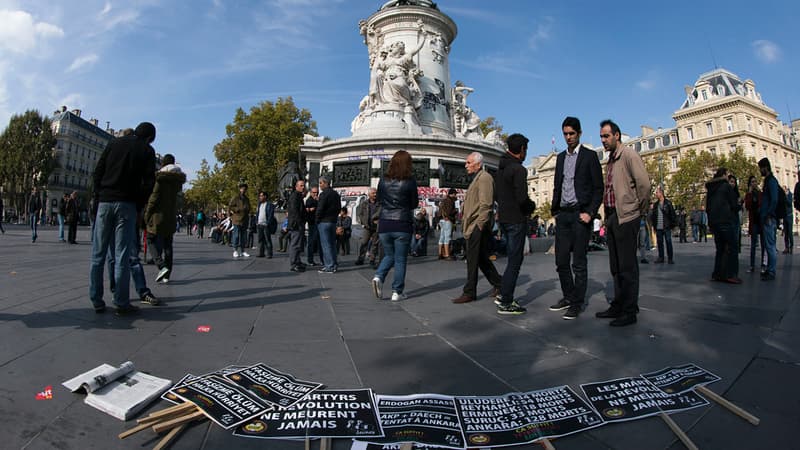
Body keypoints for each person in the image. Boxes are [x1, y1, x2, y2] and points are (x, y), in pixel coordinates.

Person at [89, 121, 156, 315]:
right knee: (122, 255)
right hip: (127, 204)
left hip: (105, 201)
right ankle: (121, 302)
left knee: (98, 255)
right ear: (150, 138)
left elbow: (98, 171)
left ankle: (96, 299)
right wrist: (139, 204)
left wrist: (98, 195)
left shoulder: (114, 143)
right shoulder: (147, 151)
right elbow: (149, 183)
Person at [596, 120, 651, 327]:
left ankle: (629, 310)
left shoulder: (628, 155)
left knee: (627, 266)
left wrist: (638, 209)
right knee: (616, 266)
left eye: (606, 136)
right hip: (612, 217)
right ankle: (619, 304)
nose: (603, 140)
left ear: (617, 135)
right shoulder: (611, 159)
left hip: (627, 216)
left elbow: (644, 184)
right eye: (601, 136)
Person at [548, 118, 603, 319]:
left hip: (581, 214)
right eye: (565, 134)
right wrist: (555, 211)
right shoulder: (561, 157)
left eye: (571, 133)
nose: (568, 137)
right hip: (563, 214)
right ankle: (568, 296)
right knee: (561, 261)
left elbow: (599, 188)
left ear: (579, 133)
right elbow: (558, 184)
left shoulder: (589, 156)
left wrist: (590, 211)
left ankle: (577, 303)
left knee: (578, 262)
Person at [451, 152, 504, 308]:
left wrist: (479, 225)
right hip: (473, 225)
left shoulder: (485, 178)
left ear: (478, 164)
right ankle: (499, 283)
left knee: (473, 260)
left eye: (468, 162)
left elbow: (486, 204)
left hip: (477, 226)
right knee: (480, 259)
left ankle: (469, 292)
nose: (466, 165)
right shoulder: (478, 178)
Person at [494, 133, 537, 315]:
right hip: (516, 219)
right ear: (521, 150)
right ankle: (506, 301)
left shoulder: (501, 168)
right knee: (515, 261)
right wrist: (531, 207)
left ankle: (503, 293)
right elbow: (522, 198)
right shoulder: (518, 170)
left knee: (511, 259)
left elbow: (496, 195)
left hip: (504, 217)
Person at [371, 150, 418, 301]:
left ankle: (378, 277)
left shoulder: (383, 180)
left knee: (389, 255)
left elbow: (378, 199)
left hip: (385, 223)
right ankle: (397, 292)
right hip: (402, 223)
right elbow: (414, 203)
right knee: (400, 259)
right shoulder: (410, 181)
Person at [144, 154, 186, 283]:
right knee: (168, 245)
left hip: (157, 216)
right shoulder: (178, 181)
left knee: (150, 240)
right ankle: (167, 275)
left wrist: (147, 214)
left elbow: (154, 198)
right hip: (170, 216)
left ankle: (161, 265)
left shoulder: (160, 179)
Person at [706, 167, 741, 284]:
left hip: (715, 222)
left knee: (720, 248)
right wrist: (740, 204)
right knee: (732, 247)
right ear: (724, 175)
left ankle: (717, 273)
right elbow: (734, 205)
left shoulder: (711, 189)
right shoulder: (726, 186)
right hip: (725, 220)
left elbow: (708, 207)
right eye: (727, 175)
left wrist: (710, 222)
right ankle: (731, 274)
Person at [758, 158, 779, 281]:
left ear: (765, 167)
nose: (760, 171)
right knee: (768, 245)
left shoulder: (771, 181)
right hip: (767, 216)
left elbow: (774, 199)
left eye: (760, 168)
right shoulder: (769, 181)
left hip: (769, 218)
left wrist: (768, 214)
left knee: (770, 246)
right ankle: (770, 269)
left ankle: (771, 271)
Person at [316, 175, 341, 274]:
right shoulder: (336, 194)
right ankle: (334, 264)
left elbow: (320, 208)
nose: (320, 185)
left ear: (326, 183)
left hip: (324, 222)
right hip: (333, 221)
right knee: (332, 244)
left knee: (325, 245)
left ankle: (329, 266)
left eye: (321, 183)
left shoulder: (323, 194)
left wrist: (317, 219)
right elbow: (339, 208)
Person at [649, 185, 677, 264]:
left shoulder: (668, 203)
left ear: (661, 193)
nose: (656, 194)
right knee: (660, 243)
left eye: (657, 192)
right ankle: (661, 257)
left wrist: (673, 225)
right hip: (658, 227)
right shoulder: (656, 204)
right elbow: (653, 216)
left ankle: (670, 258)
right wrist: (654, 226)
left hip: (666, 226)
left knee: (668, 242)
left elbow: (672, 214)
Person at [744, 175, 765, 273]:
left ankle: (763, 264)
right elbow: (747, 206)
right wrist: (749, 193)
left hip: (761, 221)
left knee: (763, 245)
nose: (754, 183)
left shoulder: (760, 194)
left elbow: (763, 204)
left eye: (755, 181)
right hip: (754, 222)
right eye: (752, 182)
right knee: (753, 245)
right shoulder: (749, 194)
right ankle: (752, 265)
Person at [356, 188, 381, 266]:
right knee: (364, 242)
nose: (375, 195)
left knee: (375, 244)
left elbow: (381, 213)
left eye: (376, 193)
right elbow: (359, 213)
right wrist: (362, 222)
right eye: (373, 193)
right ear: (369, 194)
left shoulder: (380, 204)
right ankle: (361, 258)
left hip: (376, 226)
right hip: (367, 226)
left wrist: (377, 219)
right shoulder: (364, 203)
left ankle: (372, 259)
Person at [287, 179, 307, 272]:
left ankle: (297, 261)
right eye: (301, 185)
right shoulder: (295, 196)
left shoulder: (299, 196)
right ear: (296, 187)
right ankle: (294, 263)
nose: (303, 187)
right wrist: (299, 222)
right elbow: (294, 211)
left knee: (298, 244)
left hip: (298, 223)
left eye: (304, 185)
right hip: (296, 224)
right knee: (295, 244)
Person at [228, 182, 251, 258]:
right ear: (240, 189)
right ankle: (235, 250)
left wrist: (247, 210)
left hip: (245, 219)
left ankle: (243, 250)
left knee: (243, 236)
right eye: (242, 189)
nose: (243, 190)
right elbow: (230, 206)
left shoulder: (247, 199)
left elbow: (249, 207)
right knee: (236, 235)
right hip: (237, 219)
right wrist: (236, 210)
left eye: (245, 189)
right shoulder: (236, 198)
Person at [256, 191, 276, 258]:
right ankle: (261, 253)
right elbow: (257, 213)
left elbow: (270, 215)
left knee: (267, 239)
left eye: (261, 196)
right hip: (259, 224)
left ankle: (269, 253)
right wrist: (256, 222)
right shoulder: (259, 204)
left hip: (265, 225)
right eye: (260, 196)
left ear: (265, 196)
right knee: (260, 240)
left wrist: (268, 223)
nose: (260, 197)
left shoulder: (269, 205)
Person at [438, 188, 457, 260]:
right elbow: (449, 212)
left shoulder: (443, 200)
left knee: (442, 237)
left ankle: (440, 253)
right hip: (447, 220)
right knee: (447, 237)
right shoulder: (450, 201)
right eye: (455, 194)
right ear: (451, 194)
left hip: (441, 220)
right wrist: (455, 211)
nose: (455, 195)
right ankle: (447, 254)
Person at [305, 185, 321, 266]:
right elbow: (307, 210)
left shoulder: (319, 200)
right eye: (314, 192)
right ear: (311, 193)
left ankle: (322, 259)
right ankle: (310, 260)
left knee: (320, 242)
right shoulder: (309, 201)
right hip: (312, 223)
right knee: (311, 242)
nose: (316, 194)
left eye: (317, 192)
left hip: (319, 223)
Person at [783, 185, 793, 254]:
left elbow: (789, 203)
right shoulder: (783, 196)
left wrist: (786, 197)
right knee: (786, 233)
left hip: (789, 216)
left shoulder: (789, 195)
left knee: (790, 233)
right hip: (784, 216)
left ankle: (791, 247)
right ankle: (786, 247)